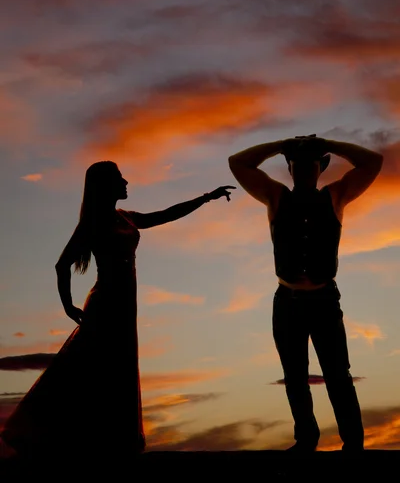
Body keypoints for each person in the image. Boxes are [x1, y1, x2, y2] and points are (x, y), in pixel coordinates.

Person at [0, 161, 235, 465]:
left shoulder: (125, 217)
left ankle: (107, 441)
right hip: (105, 302)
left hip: (125, 304)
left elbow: (163, 215)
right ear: (105, 186)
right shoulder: (93, 223)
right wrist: (68, 306)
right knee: (90, 366)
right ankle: (48, 434)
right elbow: (62, 265)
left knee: (116, 368)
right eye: (119, 179)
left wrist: (206, 198)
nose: (126, 182)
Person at [228, 134, 383, 453]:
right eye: (296, 163)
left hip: (325, 300)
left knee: (338, 373)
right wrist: (280, 144)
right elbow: (238, 162)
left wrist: (329, 143)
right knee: (295, 376)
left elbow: (373, 162)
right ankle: (306, 439)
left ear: (319, 168)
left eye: (311, 163)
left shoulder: (336, 196)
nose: (303, 168)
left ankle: (353, 442)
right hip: (287, 301)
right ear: (289, 167)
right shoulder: (275, 196)